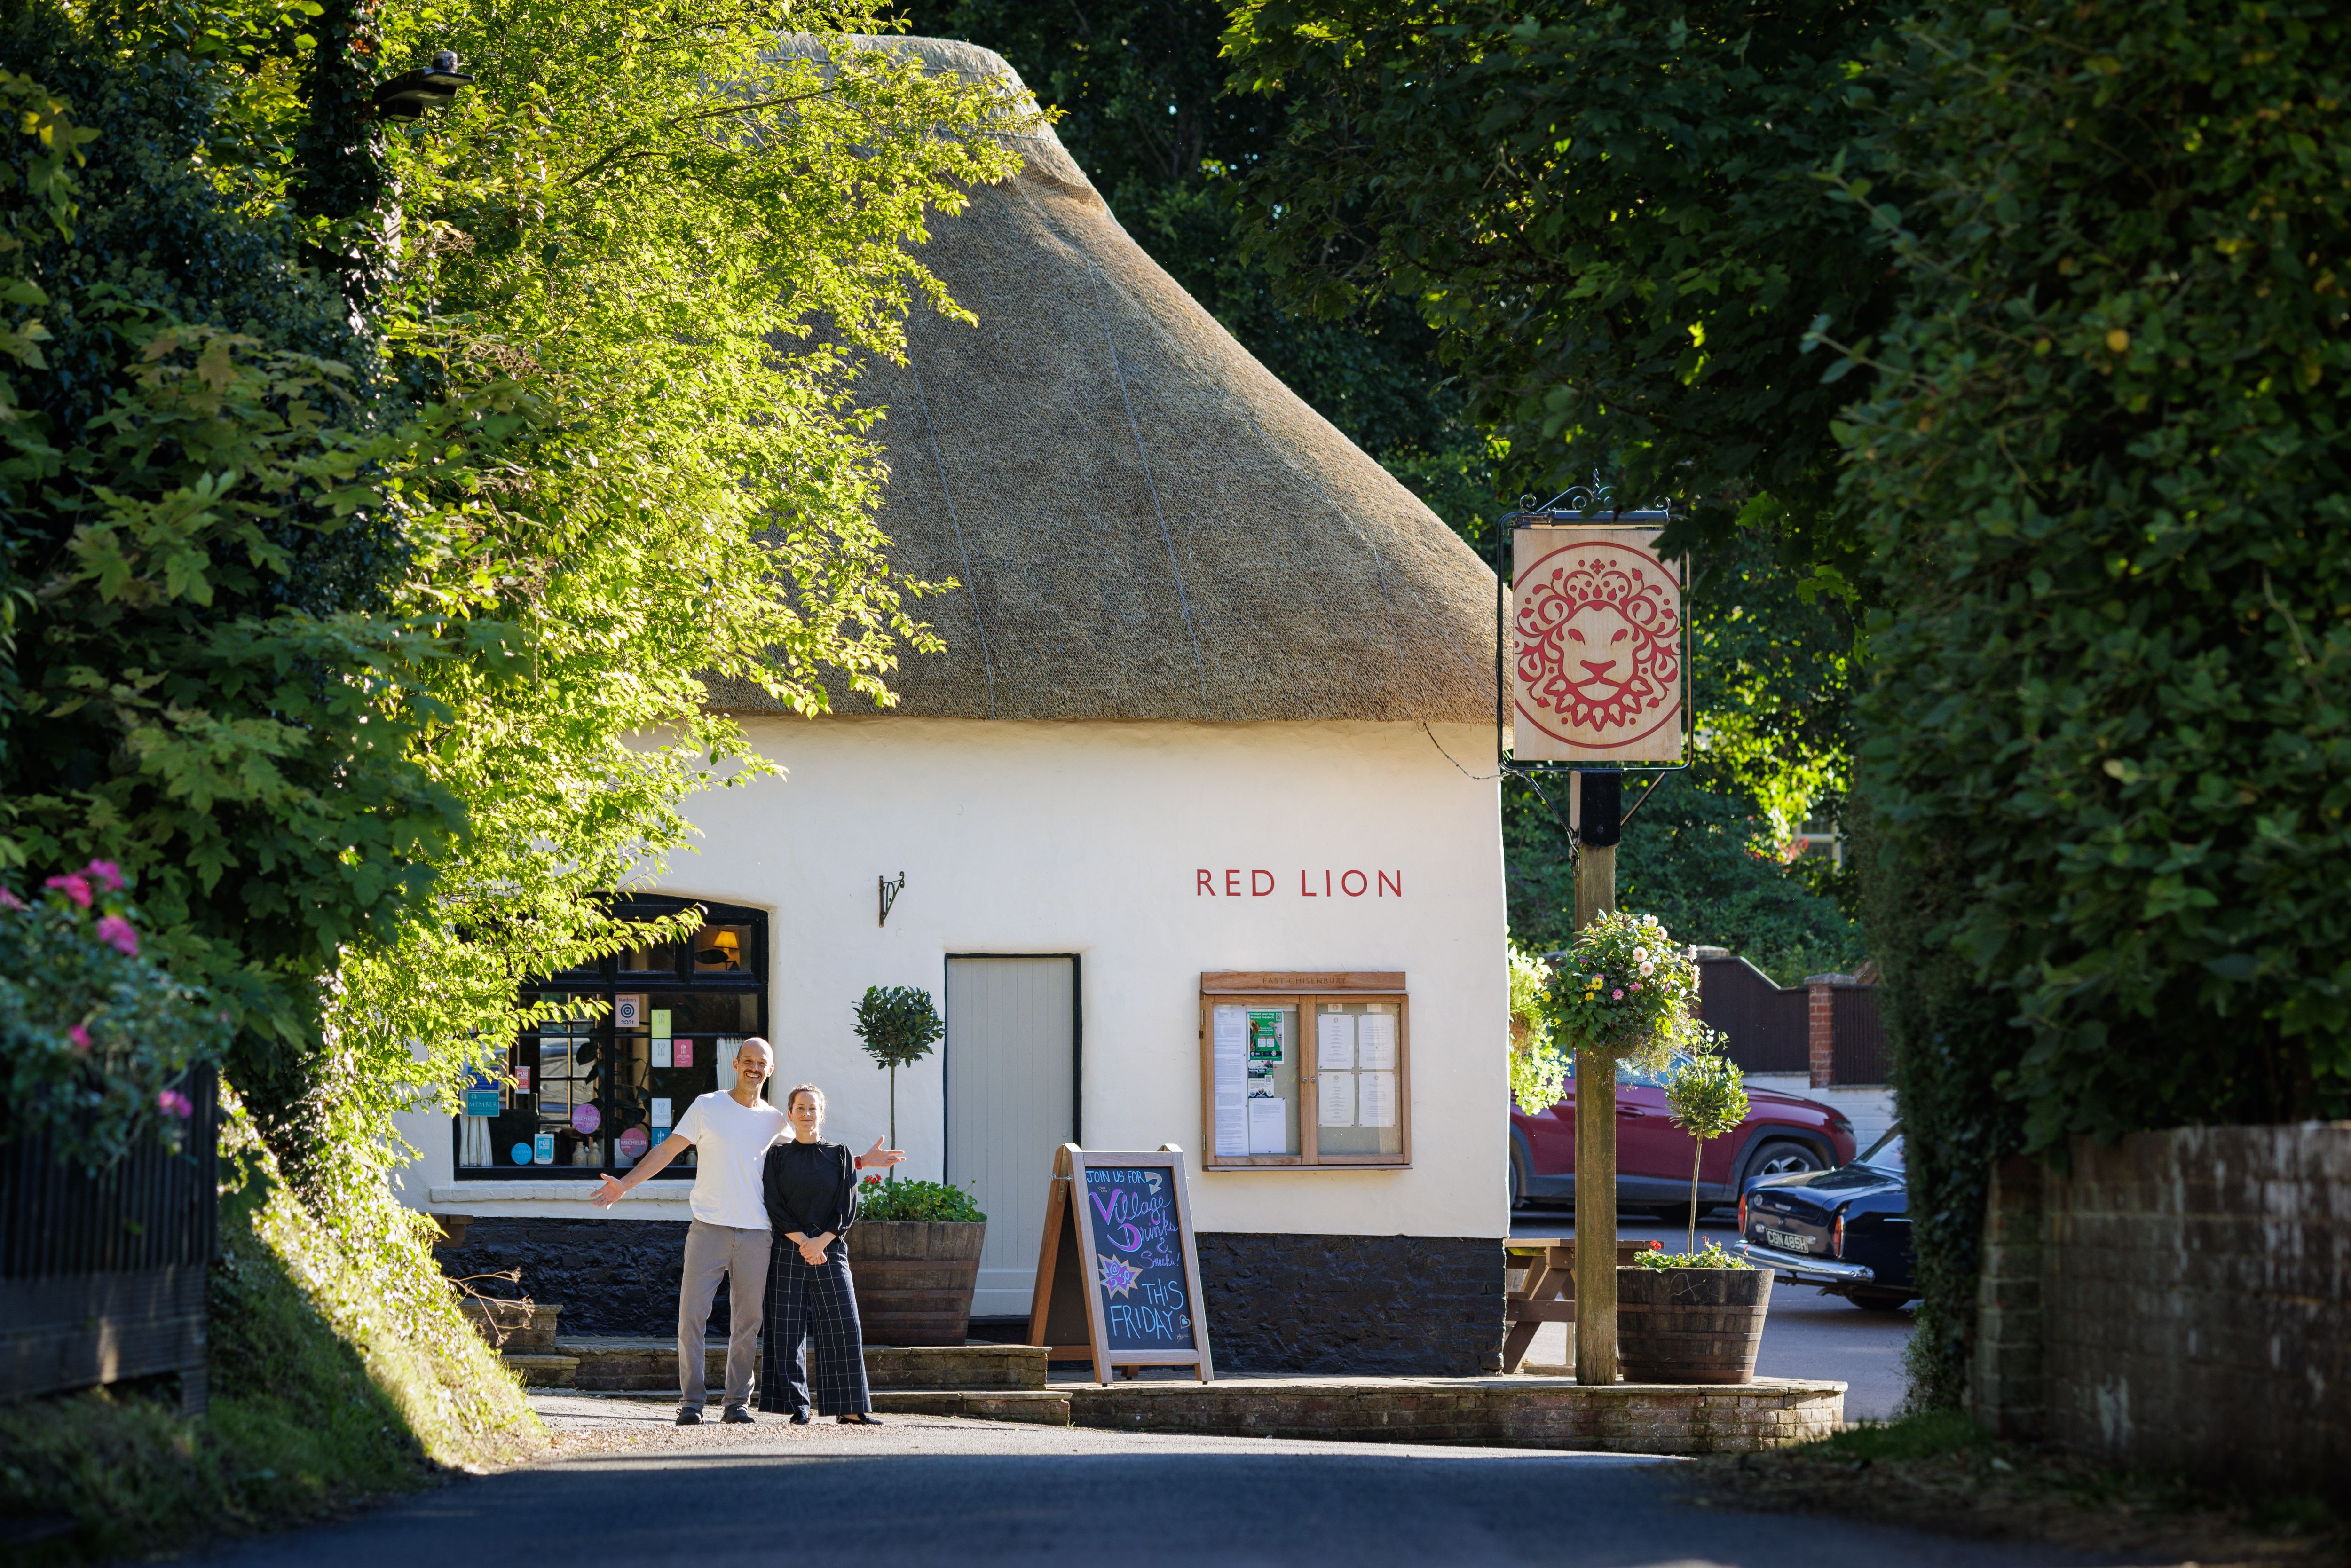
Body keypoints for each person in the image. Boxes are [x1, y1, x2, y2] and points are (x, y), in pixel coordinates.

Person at [594, 1038, 901, 1424]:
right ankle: (692, 1402)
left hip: (758, 1235)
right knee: (692, 1317)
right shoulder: (707, 1106)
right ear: (736, 1064)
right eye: (749, 1061)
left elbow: (813, 1159)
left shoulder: (776, 1119)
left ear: (770, 1070)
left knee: (748, 1322)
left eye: (763, 1063)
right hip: (709, 1228)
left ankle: (736, 1402)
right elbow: (667, 1150)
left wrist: (859, 1160)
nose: (755, 1068)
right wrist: (625, 1183)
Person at [758, 1083, 877, 1425]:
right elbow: (774, 1205)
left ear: (822, 1114)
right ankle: (798, 1406)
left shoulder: (841, 1154)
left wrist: (820, 1242)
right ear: (790, 1113)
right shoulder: (778, 1157)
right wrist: (803, 1243)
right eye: (801, 1108)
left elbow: (846, 1207)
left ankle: (850, 1408)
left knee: (844, 1325)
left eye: (813, 1108)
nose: (807, 1114)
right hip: (788, 1249)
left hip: (830, 1249)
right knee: (787, 1329)